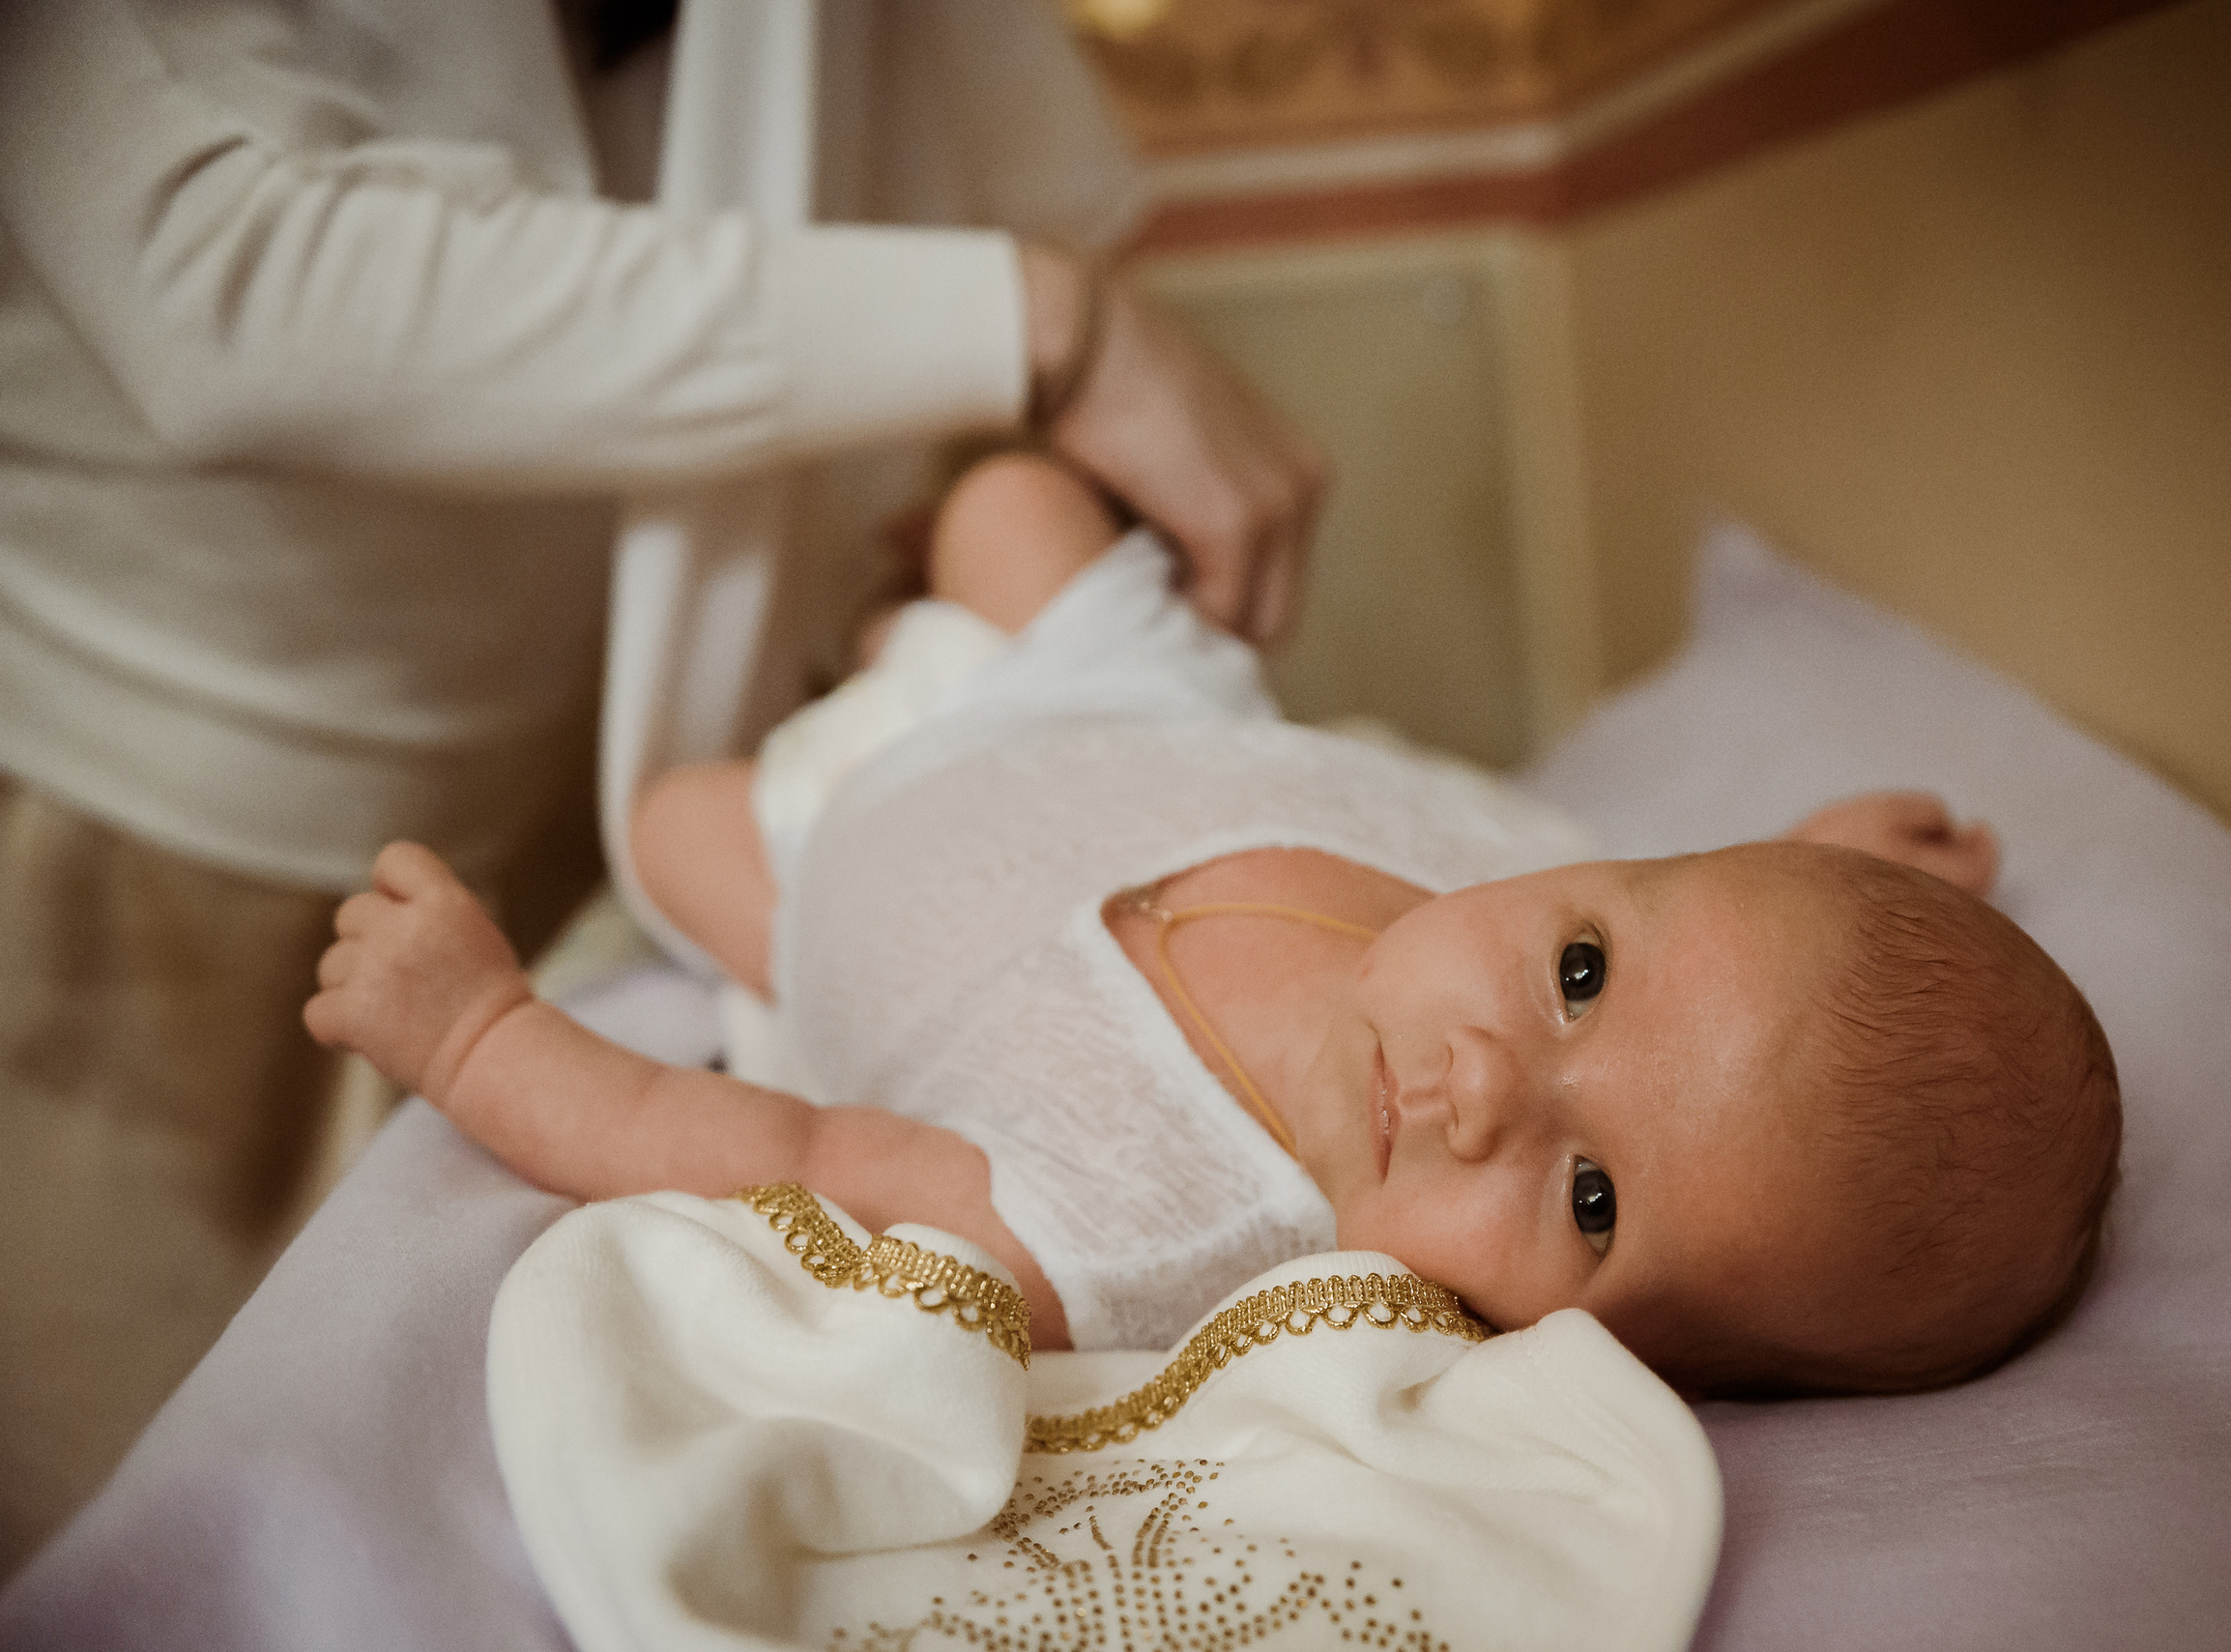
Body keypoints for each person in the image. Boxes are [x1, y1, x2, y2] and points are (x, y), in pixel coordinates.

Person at [0, 0, 1322, 1569]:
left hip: (656, 764)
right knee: (148, 1521)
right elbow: (215, 279)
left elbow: (805, 1140)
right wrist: (1038, 330)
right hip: (163, 817)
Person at [307, 453, 2121, 1396]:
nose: (1491, 1084)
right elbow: (1690, 925)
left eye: (1589, 1203)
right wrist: (1817, 856)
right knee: (1017, 505)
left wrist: (483, 1038)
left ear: (1616, 1360)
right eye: (1579, 972)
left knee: (670, 827)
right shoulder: (1531, 872)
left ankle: (867, 699)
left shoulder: (1135, 1236)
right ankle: (909, 646)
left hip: (853, 886)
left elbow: (771, 1146)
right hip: (1123, 725)